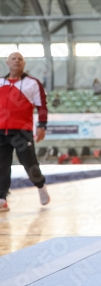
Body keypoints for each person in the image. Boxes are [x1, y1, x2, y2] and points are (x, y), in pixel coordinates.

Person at [0, 52, 50, 212]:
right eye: (13, 58)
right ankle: (2, 199)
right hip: (1, 131)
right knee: (1, 166)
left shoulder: (32, 83)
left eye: (20, 59)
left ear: (24, 64)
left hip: (22, 131)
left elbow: (42, 106)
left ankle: (41, 186)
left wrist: (42, 125)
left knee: (29, 163)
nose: (17, 61)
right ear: (7, 62)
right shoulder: (0, 82)